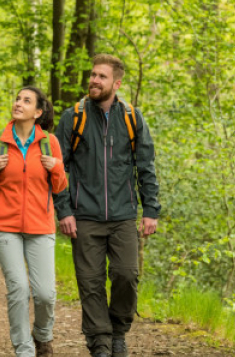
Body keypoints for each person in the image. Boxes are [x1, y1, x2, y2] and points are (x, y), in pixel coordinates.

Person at [54, 54, 161, 357]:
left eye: (101, 76)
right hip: (83, 215)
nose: (94, 81)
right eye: (92, 75)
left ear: (117, 82)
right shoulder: (72, 117)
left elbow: (146, 166)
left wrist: (151, 210)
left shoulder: (131, 118)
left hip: (123, 215)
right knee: (90, 283)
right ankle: (100, 343)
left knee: (127, 274)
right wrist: (64, 211)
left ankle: (118, 331)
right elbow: (57, 169)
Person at [0, 86, 69, 357]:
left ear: (38, 112)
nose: (18, 103)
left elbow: (60, 186)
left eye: (26, 101)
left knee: (44, 294)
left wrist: (58, 168)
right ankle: (24, 350)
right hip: (4, 226)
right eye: (17, 98)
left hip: (41, 227)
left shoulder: (49, 143)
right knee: (18, 289)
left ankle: (42, 336)